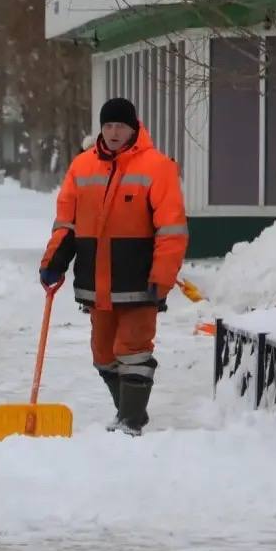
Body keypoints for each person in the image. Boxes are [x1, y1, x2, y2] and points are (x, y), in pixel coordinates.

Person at [39, 97, 188, 435]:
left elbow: (172, 230)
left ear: (134, 128)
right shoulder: (82, 167)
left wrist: (163, 275)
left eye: (121, 125)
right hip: (97, 281)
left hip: (139, 280)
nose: (114, 132)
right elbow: (66, 222)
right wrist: (54, 260)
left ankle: (131, 421)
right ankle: (124, 412)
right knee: (103, 353)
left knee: (132, 349)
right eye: (108, 125)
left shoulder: (158, 167)